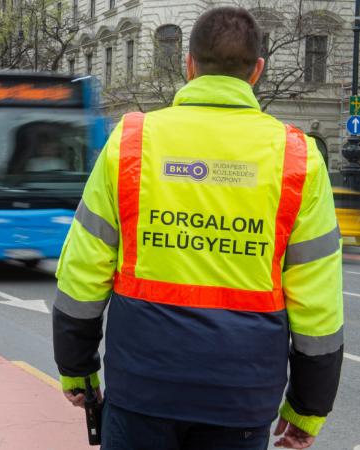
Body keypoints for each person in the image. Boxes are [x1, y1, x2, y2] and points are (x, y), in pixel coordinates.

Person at [53, 7, 342, 450]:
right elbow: (318, 299)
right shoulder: (299, 158)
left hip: (142, 386)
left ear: (189, 65)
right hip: (241, 396)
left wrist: (77, 366)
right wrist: (309, 405)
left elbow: (82, 269)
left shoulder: (131, 143)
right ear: (258, 71)